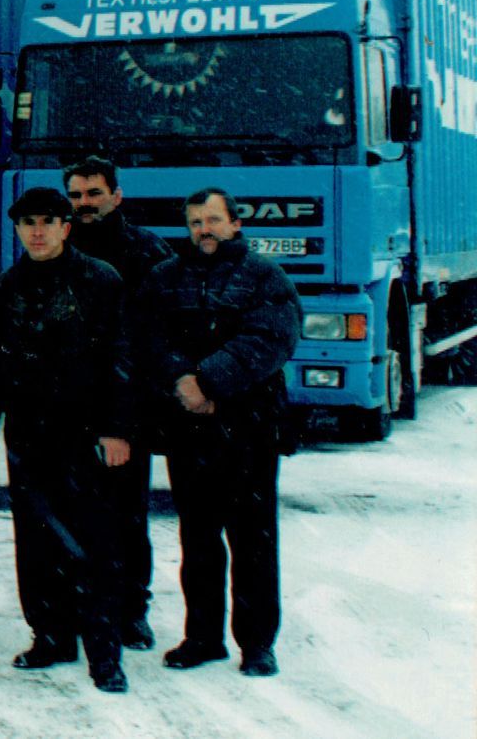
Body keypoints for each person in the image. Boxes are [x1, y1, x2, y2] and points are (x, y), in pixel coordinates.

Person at [136, 188, 300, 679]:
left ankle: (256, 644)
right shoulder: (164, 278)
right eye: (195, 223)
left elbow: (271, 337)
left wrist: (208, 381)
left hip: (250, 429)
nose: (204, 231)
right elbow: (147, 336)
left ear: (234, 224)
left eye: (213, 220)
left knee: (253, 539)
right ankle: (202, 638)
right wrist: (181, 381)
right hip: (189, 431)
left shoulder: (264, 277)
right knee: (198, 539)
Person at [0, 187, 133, 694]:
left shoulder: (99, 280)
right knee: (37, 542)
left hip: (85, 433)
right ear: (18, 230)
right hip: (30, 432)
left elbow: (120, 357)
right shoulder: (8, 285)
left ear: (67, 227)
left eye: (48, 221)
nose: (38, 231)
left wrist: (116, 428)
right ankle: (51, 636)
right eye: (28, 223)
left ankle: (104, 652)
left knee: (96, 544)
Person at [63, 154, 174, 650]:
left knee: (128, 514)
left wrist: (133, 408)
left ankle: (132, 611)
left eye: (93, 193)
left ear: (116, 195)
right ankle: (79, 607)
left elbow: (158, 333)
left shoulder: (147, 252)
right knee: (70, 514)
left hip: (127, 406)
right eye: (76, 195)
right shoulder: (55, 248)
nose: (84, 204)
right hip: (68, 408)